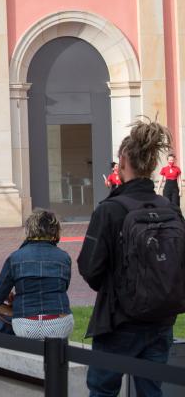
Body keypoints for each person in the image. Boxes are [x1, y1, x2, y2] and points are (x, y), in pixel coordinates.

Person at [78, 119, 179, 396]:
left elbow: (90, 267)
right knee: (151, 390)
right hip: (161, 318)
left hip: (118, 320)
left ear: (122, 162)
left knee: (102, 389)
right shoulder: (169, 208)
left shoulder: (109, 210)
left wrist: (120, 286)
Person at [0, 209, 73, 339]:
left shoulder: (15, 258)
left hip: (26, 325)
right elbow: (63, 287)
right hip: (59, 324)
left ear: (29, 230)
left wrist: (15, 300)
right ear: (55, 230)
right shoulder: (64, 257)